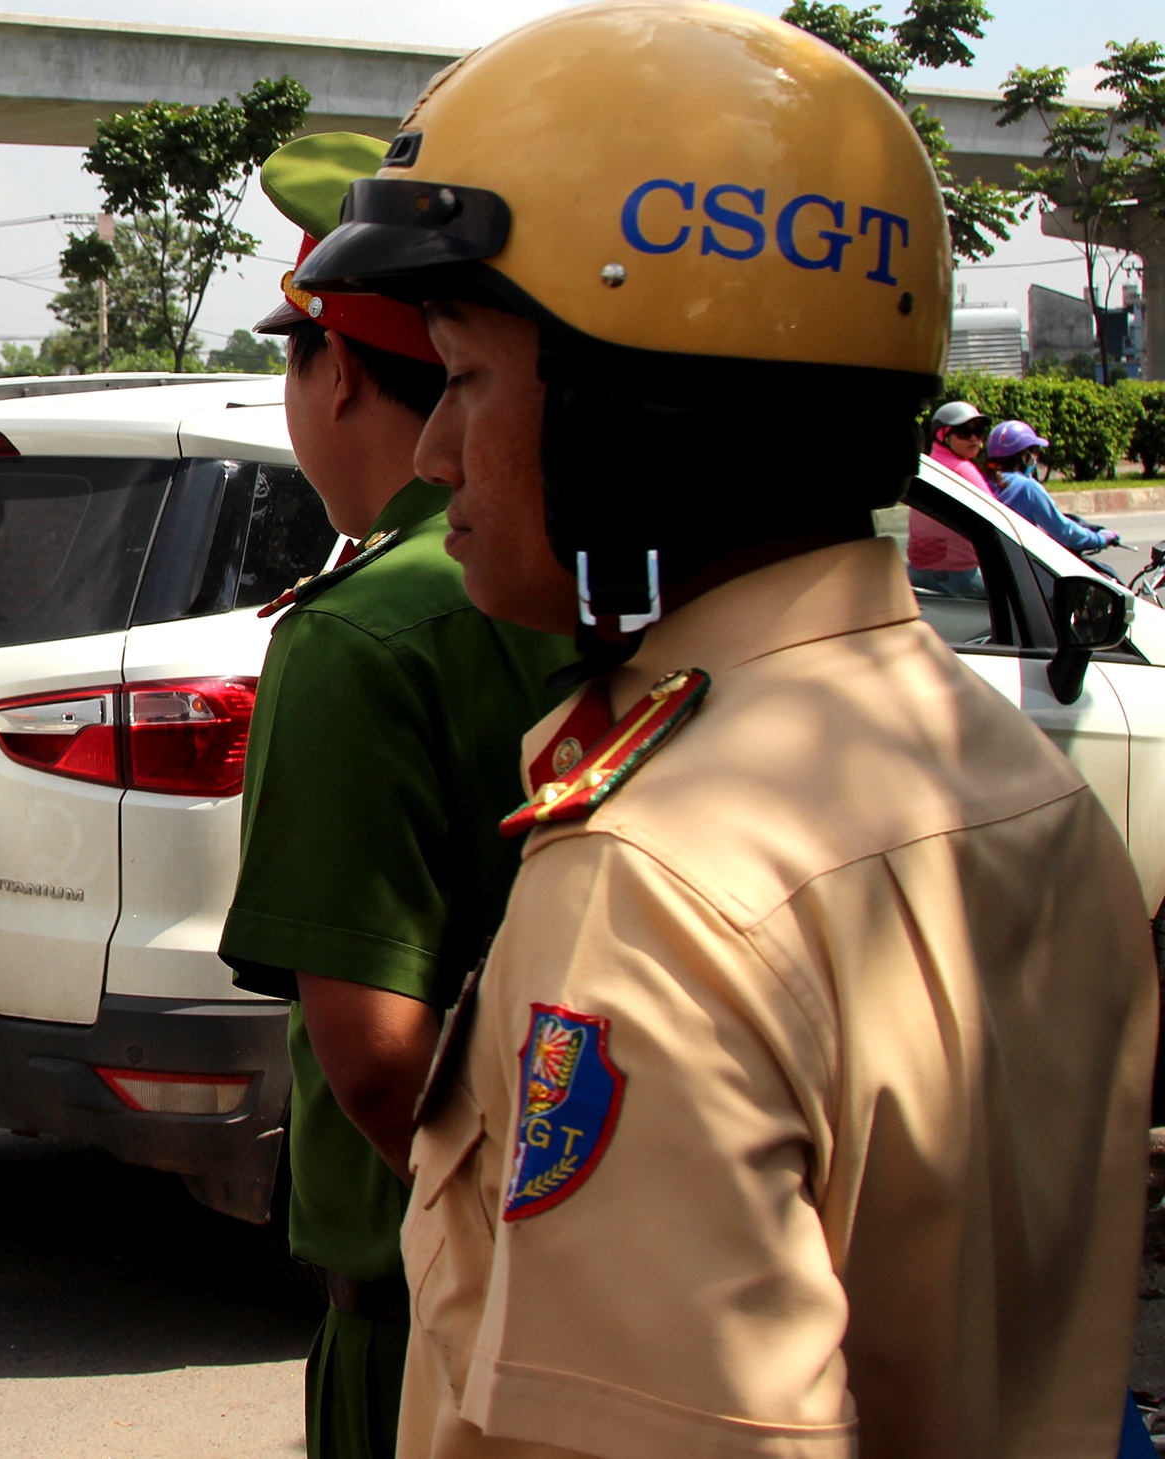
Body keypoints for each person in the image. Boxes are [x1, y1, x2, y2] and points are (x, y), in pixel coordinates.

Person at [294, 4, 1155, 1456]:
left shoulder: (663, 878)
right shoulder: (1013, 777)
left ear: (635, 421)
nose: (436, 450)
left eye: (471, 378)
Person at [219, 132, 571, 1459]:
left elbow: (375, 1060)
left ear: (341, 368)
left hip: (430, 1307)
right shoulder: (569, 570)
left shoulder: (357, 632)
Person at [987, 418, 1122, 555]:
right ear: (1023, 456)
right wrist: (1100, 539)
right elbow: (1063, 531)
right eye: (1034, 452)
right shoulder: (1028, 488)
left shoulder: (981, 481)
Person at [908, 400, 991, 596]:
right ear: (942, 435)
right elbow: (998, 520)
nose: (974, 439)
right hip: (960, 577)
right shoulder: (962, 470)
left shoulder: (927, 466)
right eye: (964, 432)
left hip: (916, 574)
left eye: (978, 432)